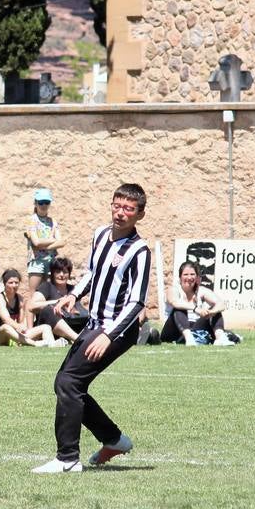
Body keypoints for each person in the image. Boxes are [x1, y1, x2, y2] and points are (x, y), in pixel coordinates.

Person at [33, 183, 151, 474]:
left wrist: (108, 336)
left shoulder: (140, 251)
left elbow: (136, 303)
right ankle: (113, 440)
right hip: (95, 324)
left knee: (68, 383)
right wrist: (73, 295)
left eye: (128, 208)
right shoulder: (100, 234)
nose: (120, 213)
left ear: (140, 215)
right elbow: (92, 274)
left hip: (116, 331)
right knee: (68, 383)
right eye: (117, 205)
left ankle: (67, 459)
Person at [162, 261, 234, 345]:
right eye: (185, 275)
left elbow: (221, 304)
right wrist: (196, 309)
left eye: (192, 274)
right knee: (179, 309)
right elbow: (175, 302)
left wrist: (211, 312)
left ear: (196, 277)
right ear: (180, 277)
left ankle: (220, 338)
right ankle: (189, 339)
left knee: (215, 310)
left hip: (194, 329)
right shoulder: (173, 289)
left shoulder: (201, 290)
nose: (189, 278)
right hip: (173, 330)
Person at [26, 256, 83, 344]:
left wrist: (73, 310)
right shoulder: (46, 287)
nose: (61, 275)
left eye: (65, 272)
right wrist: (56, 303)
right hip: (48, 325)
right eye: (58, 272)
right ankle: (78, 339)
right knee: (50, 310)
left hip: (69, 325)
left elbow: (79, 310)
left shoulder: (72, 290)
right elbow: (31, 306)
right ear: (52, 273)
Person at [0, 267, 56, 347]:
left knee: (46, 327)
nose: (14, 285)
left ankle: (52, 345)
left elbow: (21, 322)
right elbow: (6, 320)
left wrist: (22, 328)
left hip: (14, 334)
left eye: (16, 282)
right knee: (6, 327)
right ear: (5, 284)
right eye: (10, 283)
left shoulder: (20, 299)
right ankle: (35, 344)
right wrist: (19, 327)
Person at [23, 188, 65, 296]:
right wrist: (53, 240)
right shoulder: (31, 220)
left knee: (50, 294)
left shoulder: (52, 221)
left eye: (47, 202)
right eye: (41, 202)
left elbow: (62, 242)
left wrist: (44, 246)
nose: (44, 205)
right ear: (35, 203)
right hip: (37, 261)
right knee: (33, 294)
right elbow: (36, 242)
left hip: (51, 261)